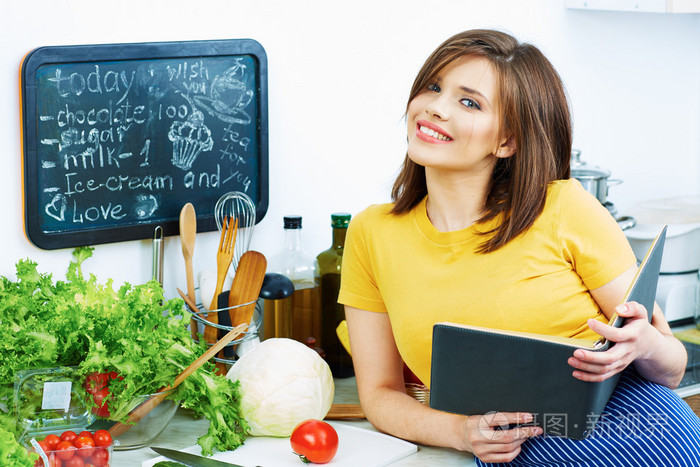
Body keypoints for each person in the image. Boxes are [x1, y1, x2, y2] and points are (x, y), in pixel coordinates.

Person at [338, 29, 700, 466]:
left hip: (637, 424)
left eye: (468, 102)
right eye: (434, 87)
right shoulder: (371, 233)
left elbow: (672, 366)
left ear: (506, 141)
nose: (435, 107)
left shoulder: (565, 208)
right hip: (509, 449)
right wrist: (460, 432)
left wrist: (642, 344)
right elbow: (379, 394)